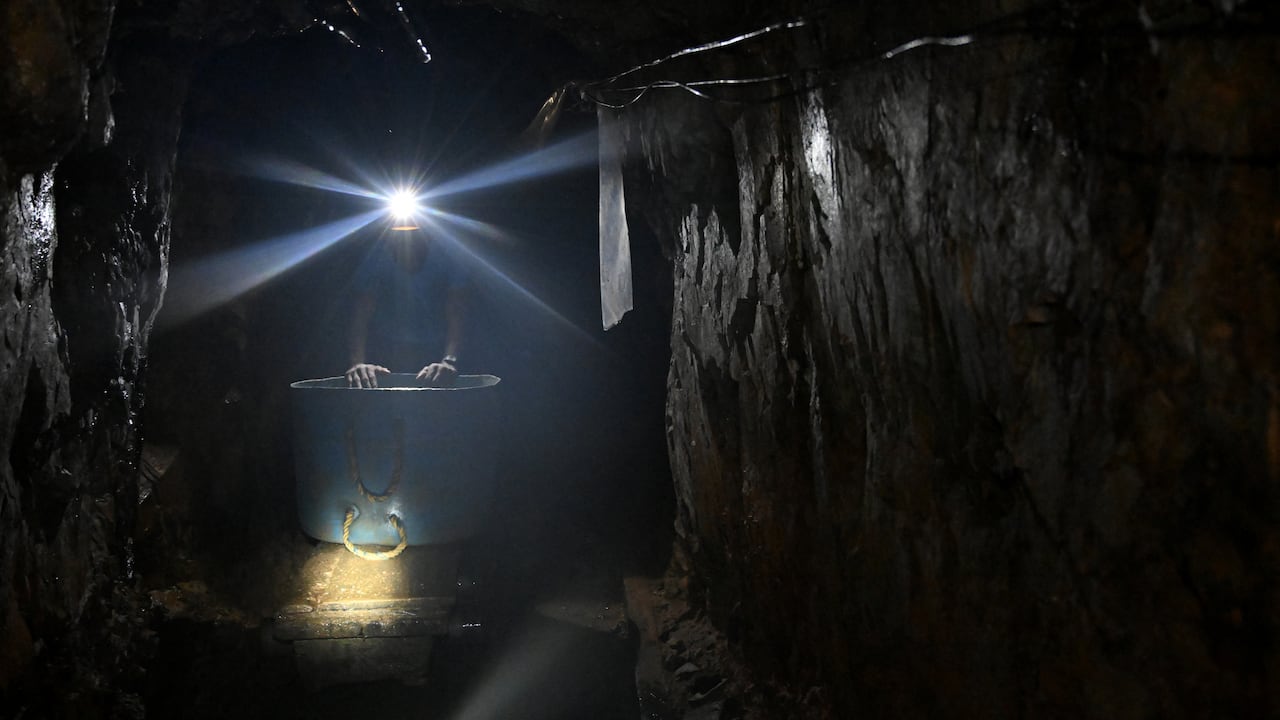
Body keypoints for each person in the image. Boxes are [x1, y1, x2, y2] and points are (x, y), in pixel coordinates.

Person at [345, 229, 470, 388]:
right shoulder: (376, 253)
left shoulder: (449, 251)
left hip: (436, 345)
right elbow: (361, 312)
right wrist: (358, 364)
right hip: (386, 346)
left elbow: (457, 309)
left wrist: (449, 361)